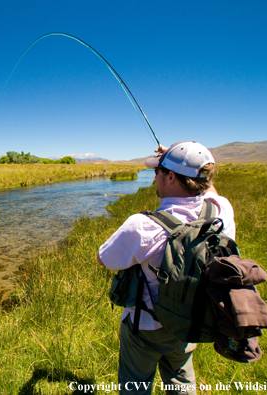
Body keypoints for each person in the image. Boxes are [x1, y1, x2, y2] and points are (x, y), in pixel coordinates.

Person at [97, 141, 235, 395]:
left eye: (157, 171)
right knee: (181, 381)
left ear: (170, 176)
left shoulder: (142, 225)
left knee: (134, 385)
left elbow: (104, 259)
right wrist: (178, 159)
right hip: (193, 319)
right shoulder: (220, 211)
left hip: (146, 326)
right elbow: (209, 188)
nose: (155, 177)